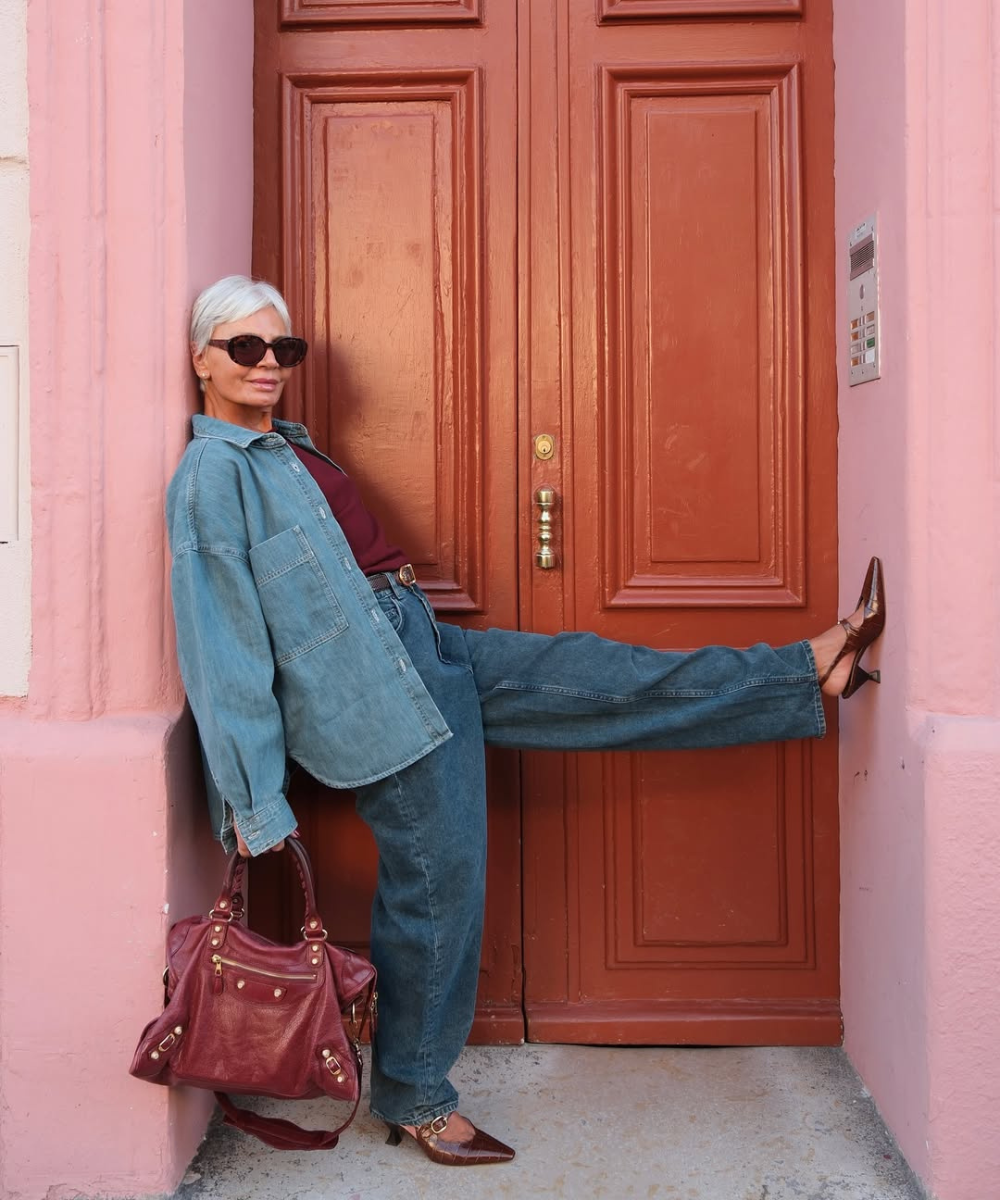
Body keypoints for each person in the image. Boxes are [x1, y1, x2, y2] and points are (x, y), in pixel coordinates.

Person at [166, 274, 885, 1167]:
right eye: (245, 348)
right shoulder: (212, 480)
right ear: (202, 359)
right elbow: (222, 647)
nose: (268, 364)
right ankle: (416, 1097)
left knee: (601, 675)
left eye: (283, 349)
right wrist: (255, 802)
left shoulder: (287, 449)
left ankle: (806, 669)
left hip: (417, 644)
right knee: (439, 887)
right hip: (372, 699)